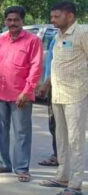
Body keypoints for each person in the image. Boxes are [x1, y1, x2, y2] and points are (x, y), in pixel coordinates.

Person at [0, 6, 43, 182]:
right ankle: (3, 163)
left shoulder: (33, 41)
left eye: (16, 20)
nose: (12, 23)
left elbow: (36, 67)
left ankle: (22, 168)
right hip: (0, 92)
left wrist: (27, 91)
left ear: (22, 21)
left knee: (21, 133)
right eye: (9, 20)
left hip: (21, 96)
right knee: (0, 129)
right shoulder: (1, 41)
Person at [39, 1, 87, 195]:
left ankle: (75, 184)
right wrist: (46, 84)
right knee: (61, 138)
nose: (53, 20)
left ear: (70, 16)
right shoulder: (58, 36)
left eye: (56, 16)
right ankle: (62, 176)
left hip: (77, 94)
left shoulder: (82, 33)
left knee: (75, 140)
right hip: (58, 94)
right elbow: (57, 64)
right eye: (52, 17)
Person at [36, 37, 58, 167]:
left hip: (65, 88)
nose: (53, 20)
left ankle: (61, 156)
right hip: (52, 87)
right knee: (54, 123)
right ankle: (58, 154)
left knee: (63, 125)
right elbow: (49, 64)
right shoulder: (56, 38)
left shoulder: (79, 37)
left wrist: (46, 83)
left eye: (56, 16)